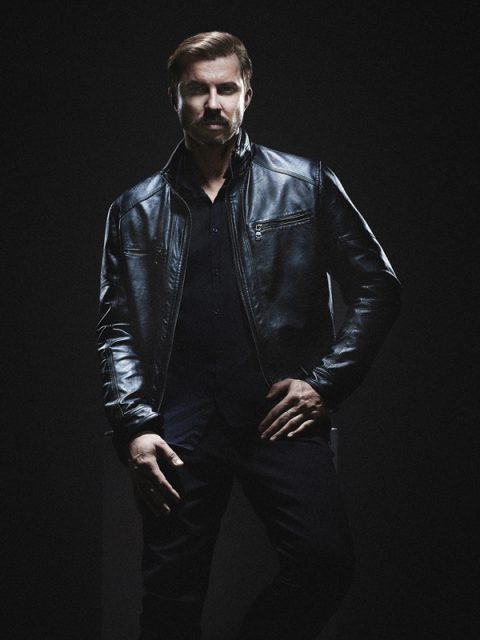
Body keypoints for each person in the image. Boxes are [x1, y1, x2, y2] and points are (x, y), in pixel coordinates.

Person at [97, 31, 401, 640]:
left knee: (324, 563)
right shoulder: (134, 210)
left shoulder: (305, 183)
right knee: (169, 602)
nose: (213, 103)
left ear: (247, 95)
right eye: (197, 90)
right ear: (175, 97)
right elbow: (118, 327)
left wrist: (324, 385)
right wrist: (134, 426)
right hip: (178, 426)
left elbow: (379, 286)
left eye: (226, 89)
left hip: (277, 416)